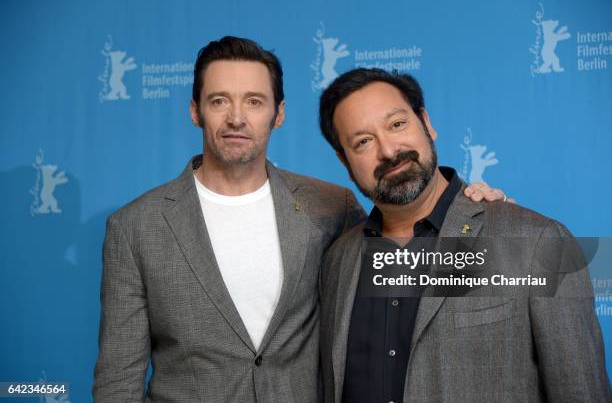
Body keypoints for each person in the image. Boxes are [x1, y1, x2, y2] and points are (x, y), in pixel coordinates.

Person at [93, 37, 507, 402]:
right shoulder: (136, 227)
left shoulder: (334, 206)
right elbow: (118, 381)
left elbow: (408, 240)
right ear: (195, 111)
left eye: (254, 101)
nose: (237, 117)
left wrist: (468, 202)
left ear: (279, 114)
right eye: (219, 101)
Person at [318, 68, 611, 403]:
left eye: (397, 124)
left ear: (426, 123)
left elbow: (580, 391)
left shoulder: (532, 241)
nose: (388, 150)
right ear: (344, 160)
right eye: (363, 142)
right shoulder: (338, 260)